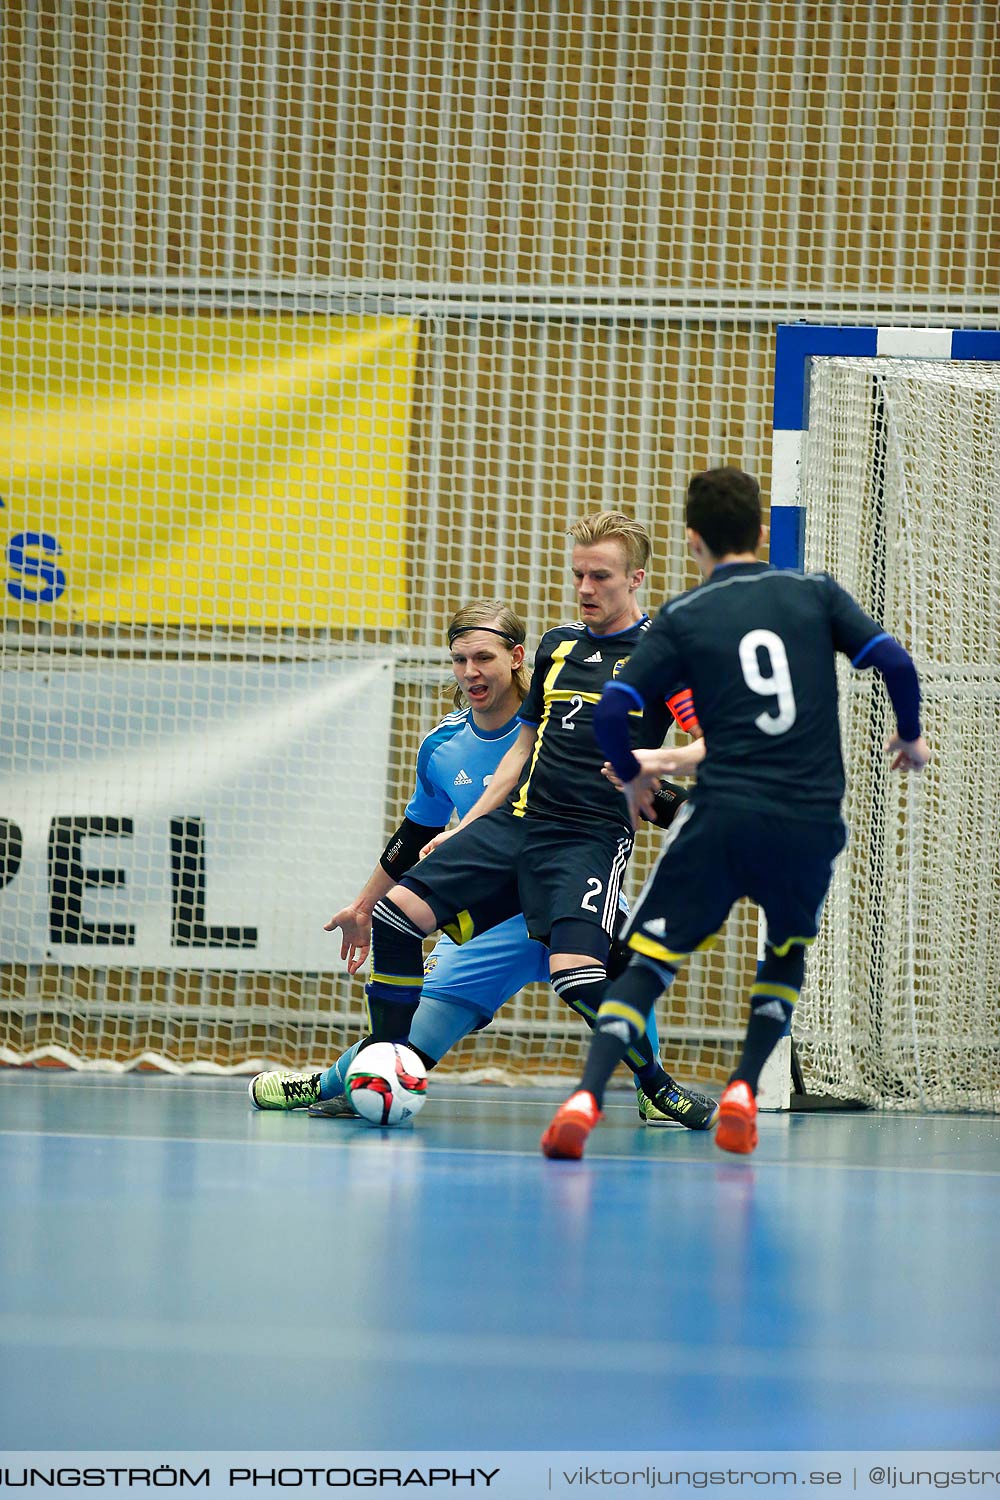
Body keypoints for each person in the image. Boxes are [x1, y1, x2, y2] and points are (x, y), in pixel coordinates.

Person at [541, 466, 930, 1160]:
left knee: (648, 962)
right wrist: (909, 732)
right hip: (808, 819)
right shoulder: (813, 593)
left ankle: (587, 1097)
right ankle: (745, 1087)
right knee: (784, 952)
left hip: (722, 814)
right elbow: (895, 661)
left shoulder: (685, 616)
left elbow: (612, 710)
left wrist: (633, 773)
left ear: (692, 542)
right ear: (760, 531)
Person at [321, 511, 718, 1131]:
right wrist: (465, 827)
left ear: (636, 578)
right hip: (516, 823)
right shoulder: (558, 645)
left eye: (601, 577)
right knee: (395, 918)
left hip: (589, 838)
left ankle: (658, 1086)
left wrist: (656, 761)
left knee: (578, 980)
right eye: (578, 575)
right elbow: (520, 749)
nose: (586, 588)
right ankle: (389, 1064)